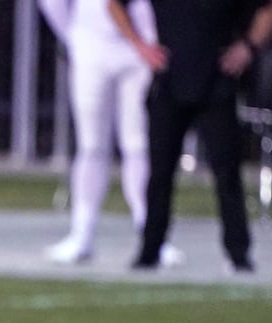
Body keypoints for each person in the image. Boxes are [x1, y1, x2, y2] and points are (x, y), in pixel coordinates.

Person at [109, 0, 268, 272]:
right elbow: (113, 5)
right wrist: (140, 46)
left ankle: (238, 253)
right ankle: (150, 249)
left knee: (227, 173)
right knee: (159, 172)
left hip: (216, 82)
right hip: (170, 80)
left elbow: (266, 9)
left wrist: (248, 47)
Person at [37, 0, 174, 264]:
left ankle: (151, 233)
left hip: (141, 47)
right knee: (91, 146)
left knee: (139, 144)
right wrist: (72, 37)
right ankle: (82, 233)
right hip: (92, 45)